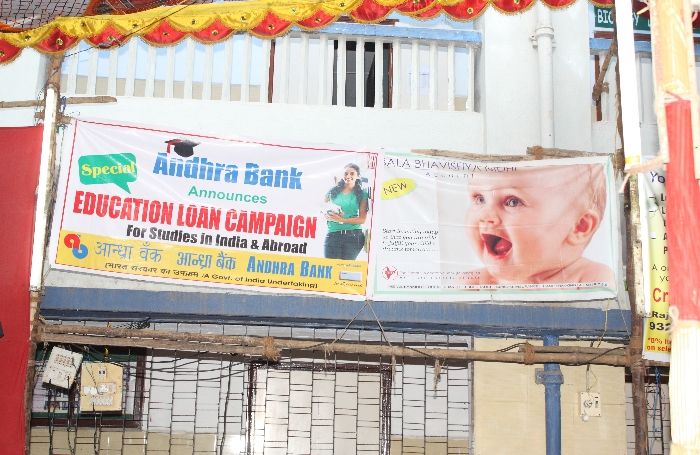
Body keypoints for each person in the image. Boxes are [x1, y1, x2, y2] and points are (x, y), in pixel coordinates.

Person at [463, 163, 615, 288]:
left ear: (579, 227)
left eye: (513, 202)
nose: (485, 216)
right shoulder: (475, 284)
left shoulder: (592, 279)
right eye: (479, 199)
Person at [323, 163, 369, 260]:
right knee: (330, 267)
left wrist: (342, 220)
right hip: (333, 234)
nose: (348, 176)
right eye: (346, 173)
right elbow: (322, 209)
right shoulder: (332, 191)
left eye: (352, 173)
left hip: (354, 237)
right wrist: (327, 215)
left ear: (358, 176)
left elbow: (362, 219)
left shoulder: (362, 194)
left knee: (346, 268)